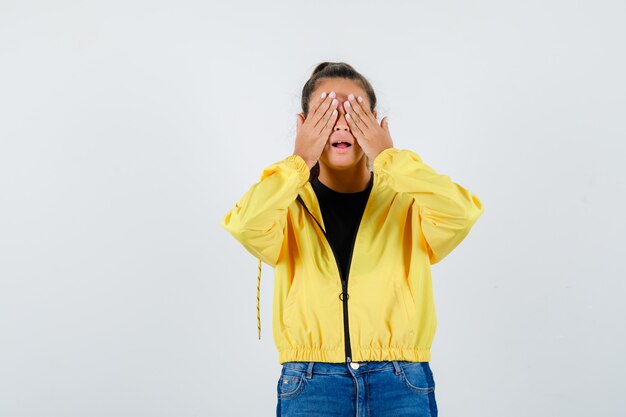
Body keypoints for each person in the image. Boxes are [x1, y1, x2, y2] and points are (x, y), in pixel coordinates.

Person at [220, 62, 484, 417]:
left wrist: (389, 159)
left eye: (354, 110)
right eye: (327, 111)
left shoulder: (408, 200)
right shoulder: (285, 204)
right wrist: (298, 161)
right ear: (304, 125)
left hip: (401, 378)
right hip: (310, 381)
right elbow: (244, 224)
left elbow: (462, 212)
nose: (342, 122)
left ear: (375, 123)